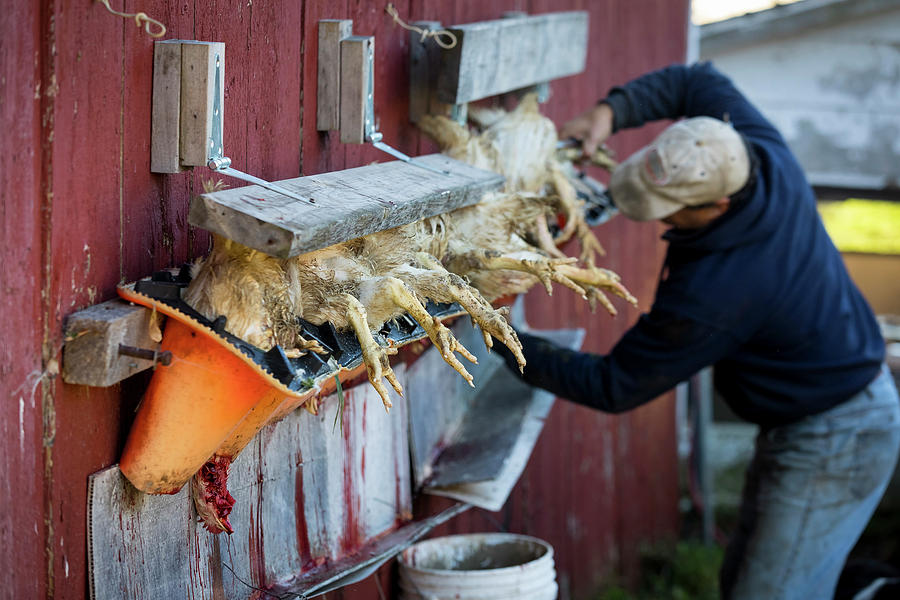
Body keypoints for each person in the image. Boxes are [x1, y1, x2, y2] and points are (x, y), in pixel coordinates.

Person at [501, 62, 900, 599]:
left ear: (717, 204)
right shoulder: (753, 149)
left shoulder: (718, 292)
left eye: (670, 210)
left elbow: (614, 385)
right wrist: (609, 111)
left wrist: (499, 335)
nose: (658, 220)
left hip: (836, 437)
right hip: (825, 411)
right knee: (748, 583)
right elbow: (695, 82)